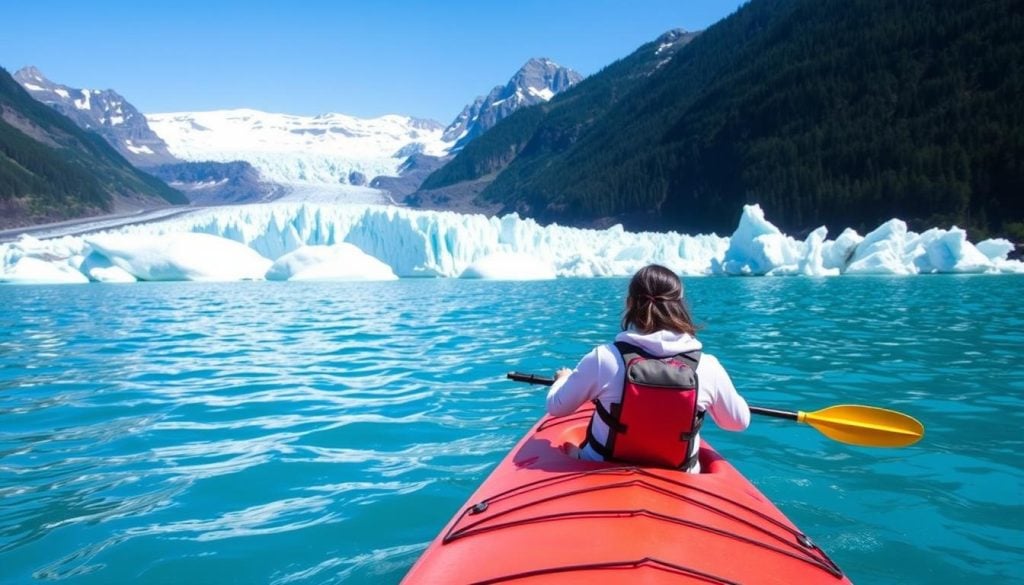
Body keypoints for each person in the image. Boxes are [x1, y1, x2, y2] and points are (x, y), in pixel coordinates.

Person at [546, 264, 750, 472]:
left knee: (573, 450)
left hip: (602, 467)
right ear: (679, 306)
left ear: (629, 303)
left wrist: (563, 378)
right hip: (680, 477)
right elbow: (738, 422)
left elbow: (557, 406)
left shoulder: (604, 358)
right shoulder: (707, 367)